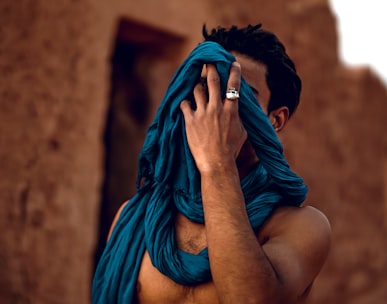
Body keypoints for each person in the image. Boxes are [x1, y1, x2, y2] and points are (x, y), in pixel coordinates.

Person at [93, 24, 331, 303]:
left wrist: (217, 163)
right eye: (205, 89)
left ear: (275, 120)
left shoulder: (301, 227)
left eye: (236, 94)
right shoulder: (136, 218)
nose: (215, 106)